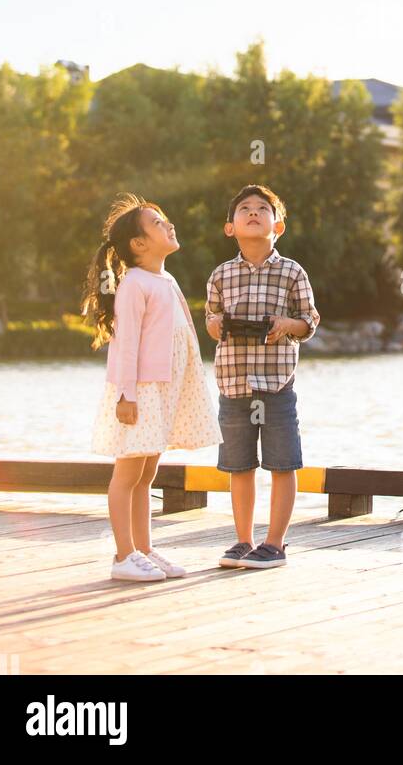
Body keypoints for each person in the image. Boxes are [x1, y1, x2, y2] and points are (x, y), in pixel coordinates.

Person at [83, 193, 222, 582]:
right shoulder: (135, 284)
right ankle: (123, 555)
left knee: (146, 475)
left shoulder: (167, 279)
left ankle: (144, 549)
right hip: (140, 391)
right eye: (158, 222)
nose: (169, 224)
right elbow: (125, 344)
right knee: (127, 474)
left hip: (163, 389)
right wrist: (127, 395)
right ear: (139, 244)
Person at [205, 184, 320, 569]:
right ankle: (242, 540)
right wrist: (218, 324)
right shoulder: (222, 274)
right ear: (230, 227)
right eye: (244, 208)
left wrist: (286, 324)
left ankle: (275, 543)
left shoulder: (292, 271)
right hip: (234, 383)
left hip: (276, 384)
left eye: (262, 208)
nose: (253, 212)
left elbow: (309, 322)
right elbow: (210, 319)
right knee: (238, 466)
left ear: (278, 226)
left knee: (283, 463)